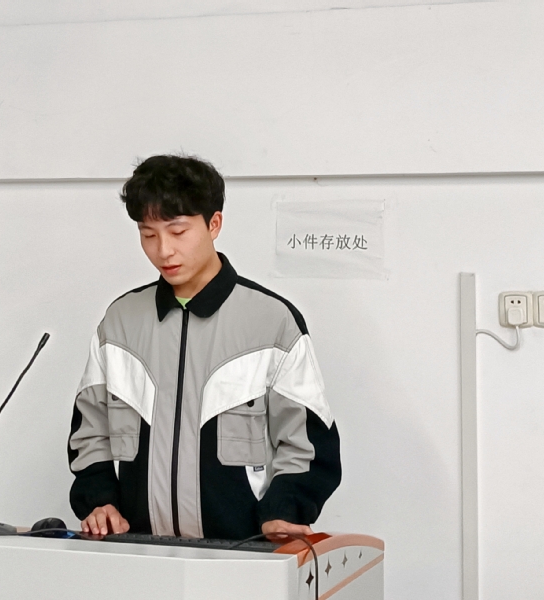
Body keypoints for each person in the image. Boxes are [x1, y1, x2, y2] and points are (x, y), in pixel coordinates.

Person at [68, 155, 341, 540]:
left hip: (244, 552)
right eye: (148, 235)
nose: (163, 250)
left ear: (214, 224)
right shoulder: (119, 323)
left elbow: (307, 443)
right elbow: (90, 432)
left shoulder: (272, 323)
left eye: (178, 232)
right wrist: (99, 501)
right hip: (137, 551)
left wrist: (283, 511)